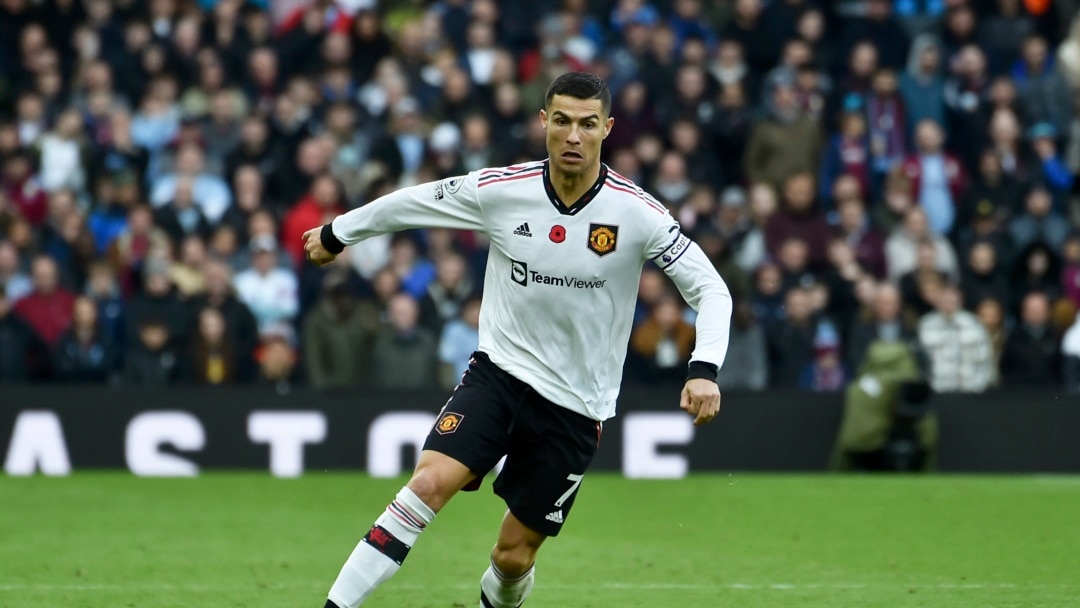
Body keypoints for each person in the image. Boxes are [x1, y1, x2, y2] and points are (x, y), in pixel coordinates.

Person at [302, 73, 732, 608]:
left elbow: (712, 290)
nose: (574, 135)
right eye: (563, 121)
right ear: (544, 122)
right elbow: (414, 203)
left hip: (576, 405)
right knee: (428, 484)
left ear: (607, 129)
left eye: (587, 124)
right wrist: (339, 232)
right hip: (499, 374)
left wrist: (704, 366)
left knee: (512, 558)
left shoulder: (637, 214)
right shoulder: (502, 191)